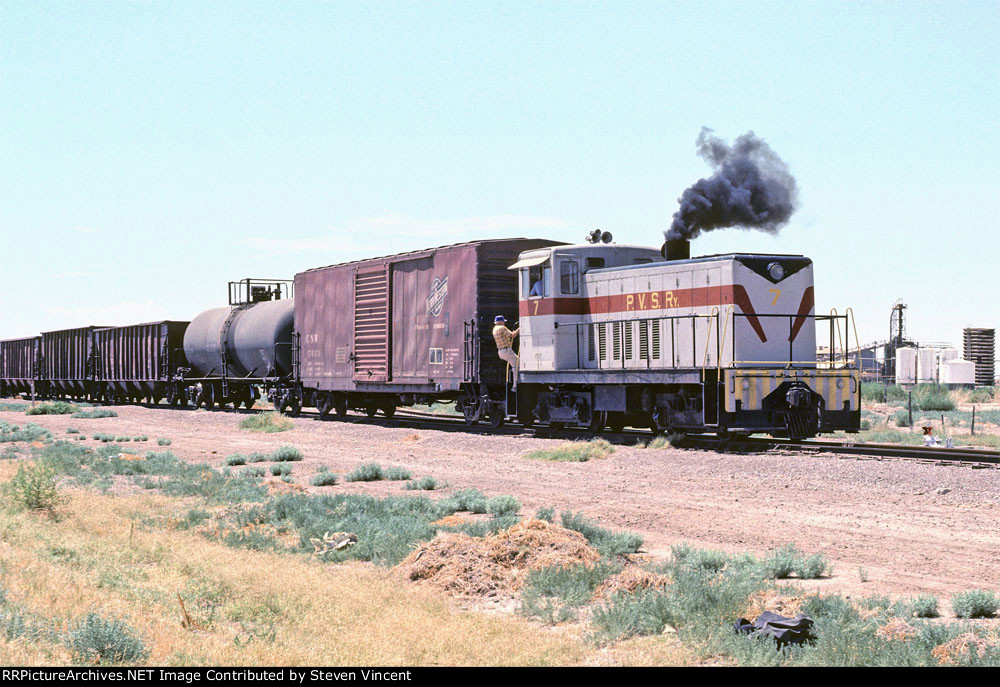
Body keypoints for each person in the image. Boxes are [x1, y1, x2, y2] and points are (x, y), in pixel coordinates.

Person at [492, 315, 519, 389]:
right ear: (500, 321)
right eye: (503, 321)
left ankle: (514, 381)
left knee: (513, 363)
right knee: (517, 363)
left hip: (501, 352)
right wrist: (519, 329)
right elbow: (512, 335)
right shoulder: (502, 328)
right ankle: (515, 385)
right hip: (506, 350)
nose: (504, 322)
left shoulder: (494, 329)